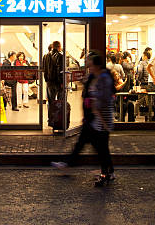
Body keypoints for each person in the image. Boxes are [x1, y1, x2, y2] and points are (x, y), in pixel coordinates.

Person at [52, 50, 115, 186]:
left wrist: (97, 112)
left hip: (101, 118)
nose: (88, 67)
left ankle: (106, 173)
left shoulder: (104, 78)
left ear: (97, 66)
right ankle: (107, 171)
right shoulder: (95, 76)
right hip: (94, 118)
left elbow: (103, 99)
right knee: (98, 146)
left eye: (91, 65)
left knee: (100, 147)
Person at [43, 41, 64, 125]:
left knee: (51, 102)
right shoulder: (60, 56)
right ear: (59, 47)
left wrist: (46, 80)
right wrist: (62, 82)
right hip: (58, 83)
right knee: (59, 101)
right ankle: (58, 120)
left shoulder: (45, 56)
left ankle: (50, 120)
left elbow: (44, 69)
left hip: (49, 82)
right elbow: (60, 70)